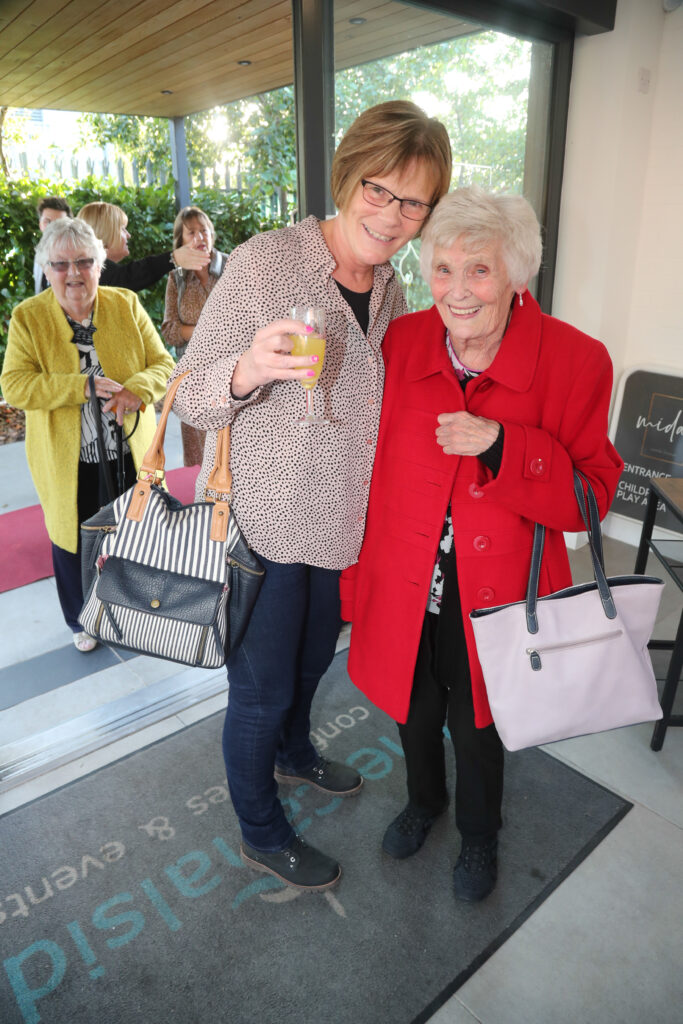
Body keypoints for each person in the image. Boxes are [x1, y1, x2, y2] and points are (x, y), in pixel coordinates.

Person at [169, 100, 452, 891]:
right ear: (346, 175)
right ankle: (261, 830)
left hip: (339, 526)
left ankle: (295, 756)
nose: (393, 215)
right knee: (259, 691)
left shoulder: (390, 284)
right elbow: (187, 396)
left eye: (413, 202)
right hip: (262, 521)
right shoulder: (268, 263)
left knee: (306, 670)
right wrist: (249, 370)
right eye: (379, 189)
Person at [341, 187, 624, 902]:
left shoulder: (575, 361)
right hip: (405, 573)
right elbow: (367, 464)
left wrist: (504, 446)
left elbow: (590, 498)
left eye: (479, 270)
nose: (456, 291)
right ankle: (423, 801)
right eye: (442, 269)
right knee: (411, 706)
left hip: (497, 589)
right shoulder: (400, 342)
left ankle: (478, 833)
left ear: (516, 276)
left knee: (476, 721)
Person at [0, 218, 175, 652]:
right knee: (74, 539)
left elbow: (164, 364)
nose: (73, 274)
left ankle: (137, 608)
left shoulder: (126, 305)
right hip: (68, 457)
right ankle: (82, 619)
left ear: (100, 265)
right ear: (46, 269)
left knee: (138, 532)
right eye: (61, 264)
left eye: (84, 262)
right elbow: (15, 385)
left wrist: (138, 389)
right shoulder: (29, 317)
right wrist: (80, 386)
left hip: (129, 450)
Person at [161, 206, 227, 466]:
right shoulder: (176, 278)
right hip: (193, 377)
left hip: (231, 371)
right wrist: (209, 329)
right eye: (192, 233)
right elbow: (170, 331)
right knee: (199, 459)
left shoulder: (232, 266)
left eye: (204, 231)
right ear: (180, 241)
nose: (200, 237)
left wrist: (197, 330)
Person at [77, 201, 210, 292]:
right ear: (105, 231)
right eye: (122, 229)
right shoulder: (90, 268)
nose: (128, 235)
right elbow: (128, 277)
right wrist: (173, 258)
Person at [34, 196, 73, 292]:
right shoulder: (39, 252)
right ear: (40, 224)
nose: (52, 227)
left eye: (59, 222)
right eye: (47, 221)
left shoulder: (76, 255)